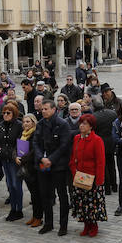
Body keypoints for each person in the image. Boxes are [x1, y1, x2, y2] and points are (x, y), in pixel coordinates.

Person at [34, 99, 72, 235]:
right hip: (43, 164)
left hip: (59, 165)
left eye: (46, 109)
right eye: (42, 109)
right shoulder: (40, 124)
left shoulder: (63, 124)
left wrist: (51, 159)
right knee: (45, 195)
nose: (43, 111)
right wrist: (41, 158)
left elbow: (64, 145)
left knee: (62, 195)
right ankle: (48, 223)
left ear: (54, 109)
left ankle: (63, 225)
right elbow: (36, 143)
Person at [68, 113, 107, 236]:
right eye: (81, 123)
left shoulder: (97, 140)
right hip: (79, 177)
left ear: (91, 126)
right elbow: (73, 157)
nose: (81, 126)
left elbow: (100, 162)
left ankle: (93, 225)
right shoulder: (77, 138)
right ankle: (86, 224)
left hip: (92, 178)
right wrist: (74, 172)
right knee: (81, 203)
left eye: (85, 124)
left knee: (92, 203)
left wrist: (99, 180)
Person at [0, 103, 24, 221]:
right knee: (10, 185)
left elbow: (21, 143)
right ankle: (13, 208)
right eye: (4, 113)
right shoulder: (0, 125)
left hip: (14, 160)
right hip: (4, 159)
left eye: (8, 113)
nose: (6, 115)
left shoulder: (19, 125)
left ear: (14, 114)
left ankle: (19, 209)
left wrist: (16, 156)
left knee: (15, 185)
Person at [16, 113, 42, 226]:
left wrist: (22, 159)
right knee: (32, 193)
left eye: (28, 121)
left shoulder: (36, 134)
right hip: (25, 167)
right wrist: (16, 157)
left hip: (34, 167)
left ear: (33, 122)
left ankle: (39, 217)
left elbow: (34, 151)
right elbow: (17, 148)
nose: (25, 124)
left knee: (37, 194)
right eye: (24, 122)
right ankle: (34, 216)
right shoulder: (23, 134)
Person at [92, 96, 117, 196]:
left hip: (101, 143)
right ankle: (114, 185)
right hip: (111, 141)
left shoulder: (94, 117)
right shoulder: (112, 113)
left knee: (104, 166)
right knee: (111, 164)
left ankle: (107, 188)